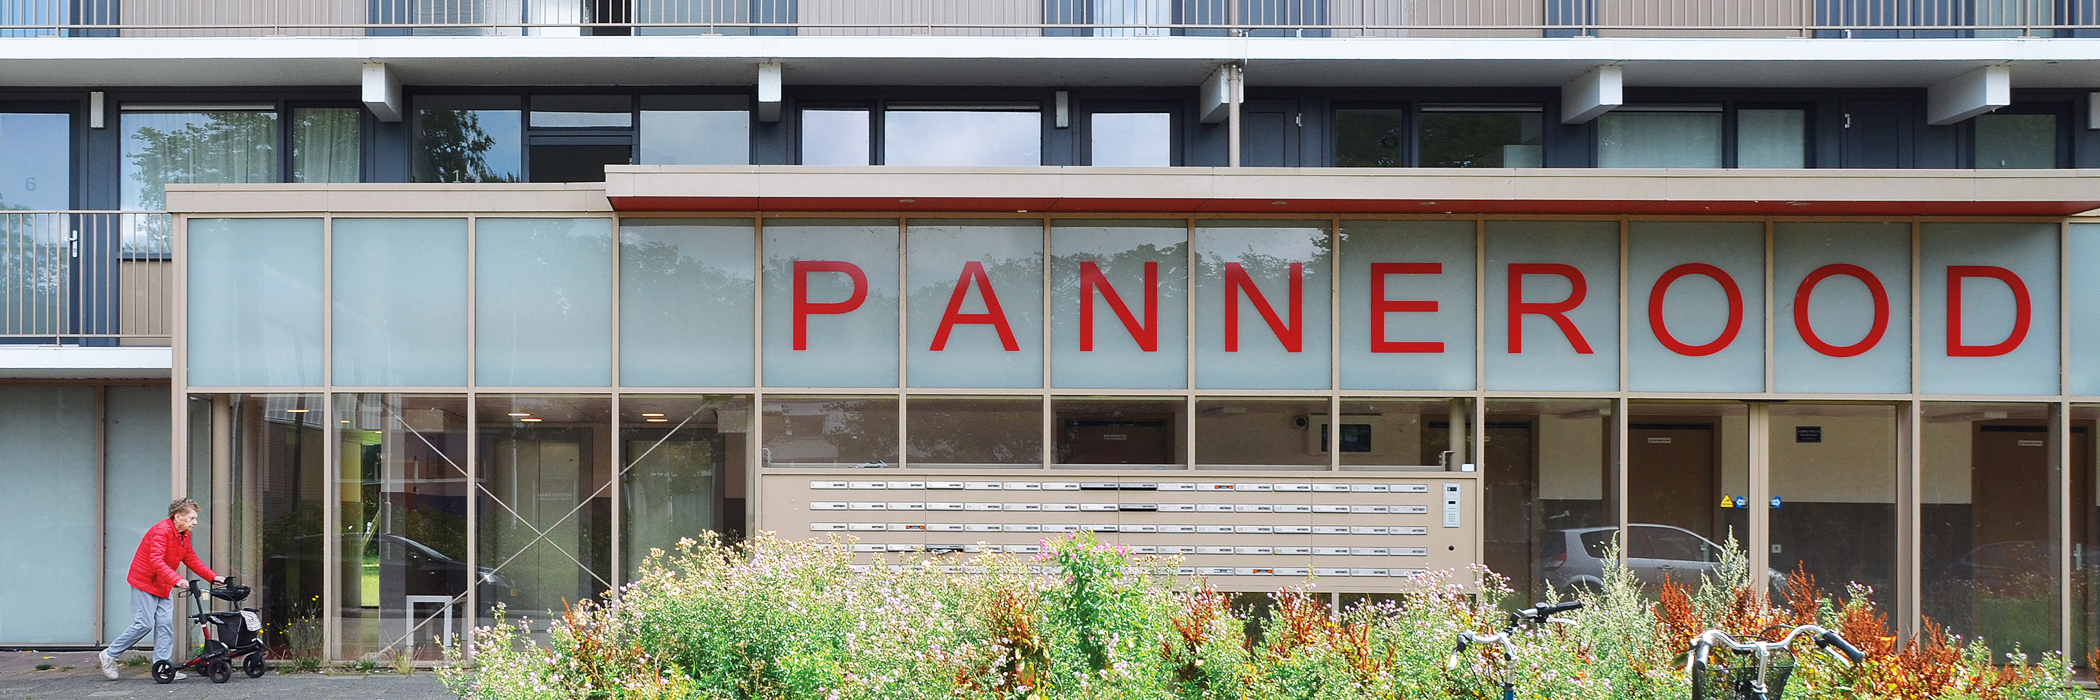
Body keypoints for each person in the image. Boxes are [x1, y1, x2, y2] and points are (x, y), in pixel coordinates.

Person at [98, 498, 223, 680]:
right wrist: (177, 579)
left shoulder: (183, 535)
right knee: (144, 624)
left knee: (165, 626)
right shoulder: (162, 531)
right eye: (192, 518)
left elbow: (191, 559)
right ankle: (110, 654)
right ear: (178, 517)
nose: (195, 522)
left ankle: (162, 668)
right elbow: (156, 561)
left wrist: (213, 577)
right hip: (145, 583)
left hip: (163, 583)